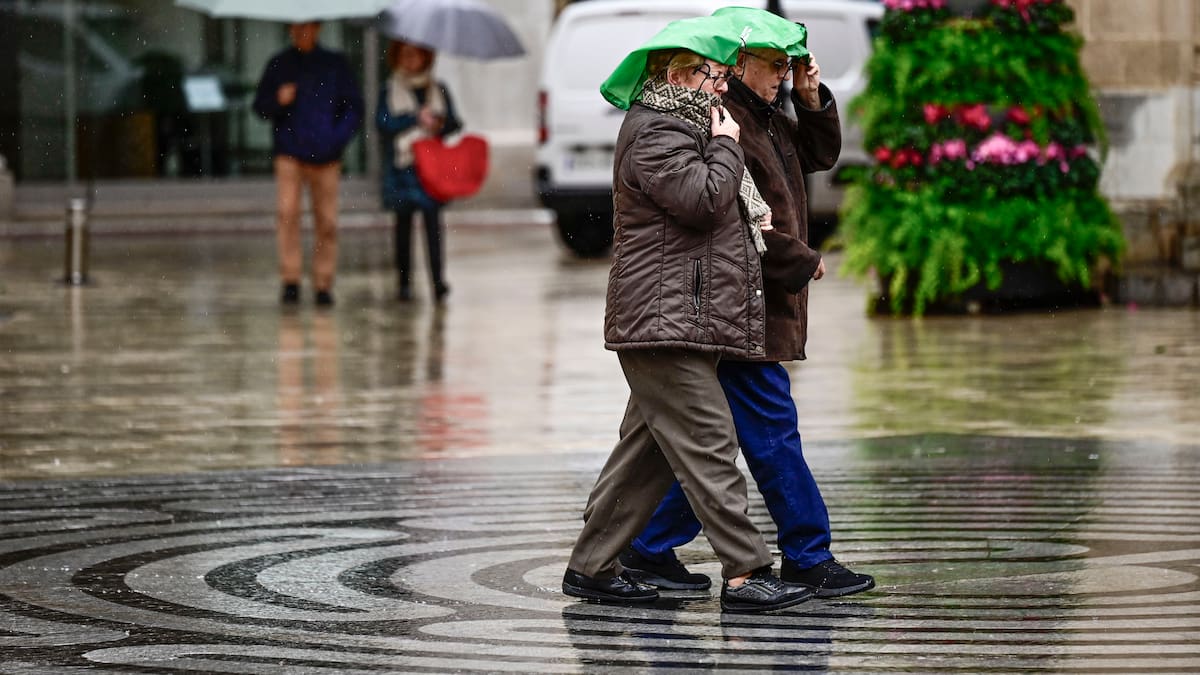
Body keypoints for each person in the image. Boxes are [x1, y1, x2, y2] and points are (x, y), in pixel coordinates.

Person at [621, 15, 875, 599]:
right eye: (776, 65)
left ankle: (648, 546)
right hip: (743, 305)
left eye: (790, 66)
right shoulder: (722, 118)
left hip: (750, 303)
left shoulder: (761, 113)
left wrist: (811, 100)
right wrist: (797, 259)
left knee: (714, 441)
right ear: (738, 63)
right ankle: (807, 554)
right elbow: (730, 215)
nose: (785, 76)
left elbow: (816, 155)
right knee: (768, 432)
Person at [562, 26, 812, 614]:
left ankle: (591, 568)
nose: (721, 85)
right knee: (710, 444)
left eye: (722, 75)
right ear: (676, 77)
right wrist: (727, 145)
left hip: (684, 320)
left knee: (644, 457)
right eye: (711, 75)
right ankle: (747, 573)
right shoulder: (654, 132)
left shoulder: (689, 127)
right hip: (663, 321)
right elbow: (703, 201)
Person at [253, 22, 363, 307]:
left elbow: (353, 107)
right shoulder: (279, 65)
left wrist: (336, 138)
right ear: (290, 29)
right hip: (290, 152)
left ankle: (323, 282)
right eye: (297, 28)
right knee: (287, 213)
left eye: (309, 27)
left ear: (318, 28)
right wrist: (278, 100)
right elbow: (260, 106)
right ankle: (290, 279)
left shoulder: (335, 64)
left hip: (327, 156)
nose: (303, 32)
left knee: (326, 220)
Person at [375, 41, 461, 303]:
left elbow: (455, 123)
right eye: (405, 55)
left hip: (431, 165)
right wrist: (414, 118)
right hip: (404, 164)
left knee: (433, 225)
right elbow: (382, 123)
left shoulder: (438, 89)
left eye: (415, 55)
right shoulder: (390, 89)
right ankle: (404, 283)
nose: (410, 60)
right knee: (402, 226)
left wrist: (437, 122)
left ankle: (438, 281)